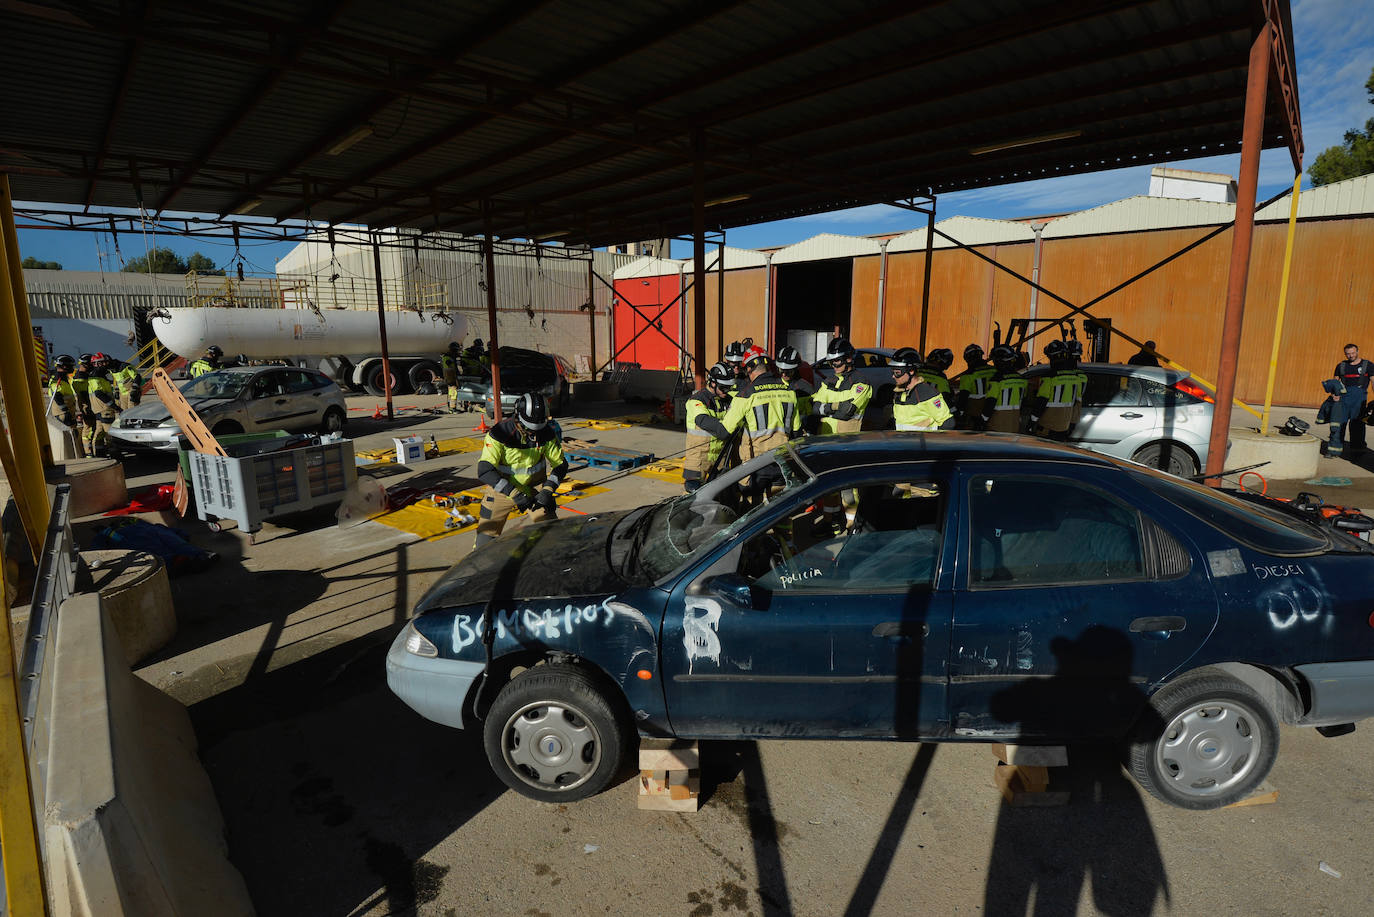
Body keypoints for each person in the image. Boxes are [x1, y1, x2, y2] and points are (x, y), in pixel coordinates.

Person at [473, 393, 568, 549]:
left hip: (535, 490)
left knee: (552, 536)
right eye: (529, 429)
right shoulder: (500, 433)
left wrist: (547, 490)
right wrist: (515, 494)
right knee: (485, 541)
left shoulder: (546, 433)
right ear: (518, 417)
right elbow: (485, 470)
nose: (533, 434)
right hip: (503, 490)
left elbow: (560, 465)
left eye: (537, 429)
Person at [683, 362, 737, 492]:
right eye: (724, 388)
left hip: (720, 458)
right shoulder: (696, 400)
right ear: (713, 383)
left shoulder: (727, 399)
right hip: (698, 459)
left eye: (729, 388)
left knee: (718, 495)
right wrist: (726, 429)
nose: (727, 391)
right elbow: (704, 421)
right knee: (692, 495)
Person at [1027, 339, 1087, 441]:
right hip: (1064, 425)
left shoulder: (1050, 377)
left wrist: (1032, 421)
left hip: (1047, 424)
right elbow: (1076, 401)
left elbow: (1041, 401)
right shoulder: (1075, 377)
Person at [811, 338, 872, 434]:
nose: (834, 366)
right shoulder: (829, 381)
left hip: (846, 438)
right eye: (831, 362)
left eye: (837, 361)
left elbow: (847, 411)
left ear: (848, 359)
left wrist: (826, 410)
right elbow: (815, 409)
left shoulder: (861, 381)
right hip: (825, 435)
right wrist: (835, 407)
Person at [888, 347, 954, 431]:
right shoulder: (899, 392)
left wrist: (927, 434)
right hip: (903, 443)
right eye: (892, 372)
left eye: (897, 373)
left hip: (921, 443)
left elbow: (949, 423)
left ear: (911, 371)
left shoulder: (928, 393)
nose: (893, 376)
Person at [75, 355, 119, 457]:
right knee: (109, 432)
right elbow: (92, 393)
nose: (104, 365)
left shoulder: (90, 375)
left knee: (99, 431)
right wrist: (114, 406)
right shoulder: (84, 377)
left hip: (95, 407)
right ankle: (110, 454)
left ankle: (98, 453)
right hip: (98, 407)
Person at [1334, 342, 1373, 455]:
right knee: (1339, 423)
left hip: (1359, 399)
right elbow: (1335, 383)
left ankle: (1357, 449)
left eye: (1353, 353)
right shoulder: (1341, 366)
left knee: (1357, 424)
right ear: (1345, 354)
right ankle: (1336, 449)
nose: (1351, 355)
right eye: (1348, 354)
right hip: (1343, 399)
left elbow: (1373, 381)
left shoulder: (1368, 365)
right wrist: (1334, 395)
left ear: (1357, 352)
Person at [981, 344, 1029, 433]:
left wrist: (982, 421)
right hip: (1014, 426)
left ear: (999, 361)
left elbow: (990, 403)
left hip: (996, 427)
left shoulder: (996, 380)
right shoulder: (1022, 379)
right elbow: (1024, 403)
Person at [47, 354, 86, 458]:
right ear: (64, 367)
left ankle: (77, 455)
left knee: (74, 434)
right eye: (70, 366)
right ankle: (74, 458)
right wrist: (66, 412)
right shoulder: (58, 379)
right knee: (71, 436)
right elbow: (57, 396)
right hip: (63, 414)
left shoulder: (63, 378)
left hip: (67, 412)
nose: (72, 368)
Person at [955, 344, 996, 430]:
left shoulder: (967, 375)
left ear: (967, 359)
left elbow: (963, 398)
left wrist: (959, 414)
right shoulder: (994, 370)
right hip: (993, 414)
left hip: (974, 415)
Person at [774, 345, 814, 416]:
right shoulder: (773, 386)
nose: (784, 375)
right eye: (781, 370)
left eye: (788, 372)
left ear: (796, 369)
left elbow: (811, 414)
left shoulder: (806, 389)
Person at [441, 341, 463, 412]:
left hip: (450, 377)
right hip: (450, 377)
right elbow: (450, 366)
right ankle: (453, 408)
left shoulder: (448, 356)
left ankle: (451, 407)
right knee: (454, 392)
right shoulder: (448, 357)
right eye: (456, 350)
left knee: (451, 392)